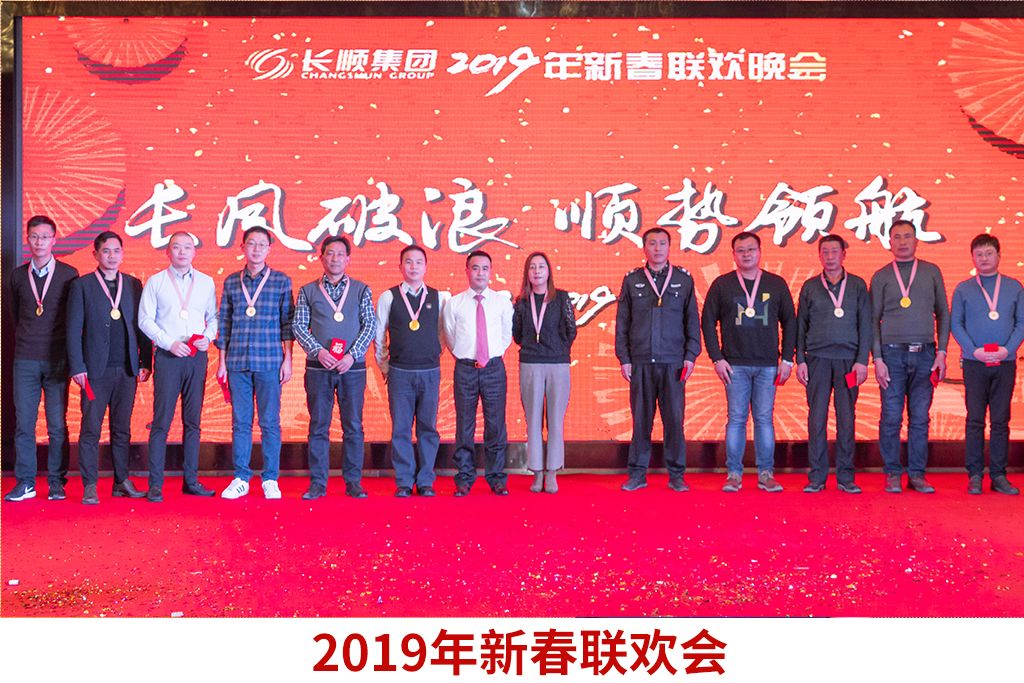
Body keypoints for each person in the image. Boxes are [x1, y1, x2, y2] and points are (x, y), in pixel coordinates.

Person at [702, 232, 796, 493]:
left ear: (759, 252)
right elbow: (707, 321)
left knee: (764, 419)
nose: (746, 254)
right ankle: (733, 474)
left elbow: (790, 322)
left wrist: (788, 359)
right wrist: (717, 358)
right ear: (733, 254)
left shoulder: (776, 284)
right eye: (741, 250)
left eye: (751, 249)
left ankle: (766, 474)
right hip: (734, 365)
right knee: (736, 419)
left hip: (768, 364)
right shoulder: (722, 284)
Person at [66, 231, 152, 504]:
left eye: (116, 251)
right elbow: (72, 330)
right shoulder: (82, 286)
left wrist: (145, 361)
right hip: (94, 372)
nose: (112, 256)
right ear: (95, 254)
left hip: (126, 370)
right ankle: (90, 484)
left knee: (122, 429)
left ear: (123, 254)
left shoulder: (133, 284)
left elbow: (141, 326)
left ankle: (121, 481)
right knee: (91, 429)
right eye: (106, 251)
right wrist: (77, 366)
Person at [615, 229, 701, 492]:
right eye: (652, 243)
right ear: (644, 248)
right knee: (641, 421)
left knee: (674, 421)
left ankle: (676, 475)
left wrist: (690, 355)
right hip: (640, 361)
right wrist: (624, 358)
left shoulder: (683, 280)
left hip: (673, 363)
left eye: (662, 243)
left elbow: (692, 321)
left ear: (669, 247)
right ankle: (637, 474)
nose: (657, 248)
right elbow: (622, 323)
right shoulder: (632, 280)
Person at [870, 220, 950, 494]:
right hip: (891, 356)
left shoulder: (931, 271)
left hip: (925, 354)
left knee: (920, 418)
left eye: (907, 236)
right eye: (897, 237)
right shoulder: (881, 276)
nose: (902, 242)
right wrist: (877, 359)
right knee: (891, 417)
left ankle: (917, 474)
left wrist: (942, 352)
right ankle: (893, 473)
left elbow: (943, 313)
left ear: (916, 240)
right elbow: (872, 320)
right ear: (889, 242)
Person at [293, 236, 375, 500]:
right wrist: (318, 351)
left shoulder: (362, 290)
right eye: (330, 253)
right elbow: (298, 326)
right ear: (321, 258)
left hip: (353, 368)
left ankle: (353, 482)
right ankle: (318, 483)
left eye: (340, 254)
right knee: (318, 426)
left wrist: (352, 355)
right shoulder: (308, 291)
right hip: (319, 368)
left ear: (348, 259)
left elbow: (369, 325)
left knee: (353, 426)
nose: (335, 258)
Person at [215, 227, 294, 500]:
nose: (257, 249)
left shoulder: (281, 281)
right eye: (251, 244)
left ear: (269, 249)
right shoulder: (231, 282)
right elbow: (224, 323)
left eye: (262, 244)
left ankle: (270, 478)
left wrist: (288, 360)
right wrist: (222, 361)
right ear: (242, 247)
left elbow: (287, 324)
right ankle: (241, 477)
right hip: (237, 362)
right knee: (240, 423)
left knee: (270, 422)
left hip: (270, 361)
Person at [139, 231, 218, 502]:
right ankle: (155, 485)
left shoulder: (206, 282)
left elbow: (213, 317)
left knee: (193, 422)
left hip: (196, 357)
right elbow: (145, 320)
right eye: (176, 247)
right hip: (168, 357)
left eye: (187, 247)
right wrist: (168, 343)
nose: (182, 252)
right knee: (161, 421)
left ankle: (191, 481)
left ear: (194, 252)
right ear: (167, 252)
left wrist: (208, 337)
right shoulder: (156, 282)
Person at [4, 215, 79, 502]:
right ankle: (25, 482)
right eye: (34, 237)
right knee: (24, 424)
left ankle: (57, 482)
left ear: (54, 240)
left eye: (45, 237)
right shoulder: (17, 276)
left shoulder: (69, 274)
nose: (39, 242)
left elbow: (74, 319)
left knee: (56, 424)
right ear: (28, 239)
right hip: (25, 358)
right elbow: (15, 315)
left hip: (57, 359)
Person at [795, 234, 872, 494]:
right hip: (817, 360)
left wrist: (862, 361)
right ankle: (816, 477)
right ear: (819, 256)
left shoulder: (858, 285)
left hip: (848, 362)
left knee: (846, 419)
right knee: (816, 419)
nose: (829, 257)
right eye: (825, 252)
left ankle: (845, 477)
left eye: (834, 251)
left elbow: (866, 325)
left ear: (843, 254)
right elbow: (801, 326)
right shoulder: (810, 286)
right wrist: (800, 360)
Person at [950, 233, 1024, 495]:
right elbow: (955, 324)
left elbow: (1021, 323)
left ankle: (999, 475)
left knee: (1001, 420)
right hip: (974, 363)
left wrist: (1007, 350)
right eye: (979, 254)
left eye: (989, 253)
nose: (984, 258)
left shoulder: (1014, 287)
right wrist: (973, 351)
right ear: (972, 258)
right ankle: (974, 474)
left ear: (999, 256)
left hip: (1005, 363)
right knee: (975, 420)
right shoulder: (963, 289)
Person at [374, 245, 450, 498]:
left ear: (426, 267)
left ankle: (426, 480)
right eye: (408, 262)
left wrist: (432, 354)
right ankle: (404, 481)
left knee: (428, 428)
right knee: (401, 429)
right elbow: (379, 335)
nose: (413, 267)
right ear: (400, 266)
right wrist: (385, 367)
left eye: (418, 262)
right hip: (400, 373)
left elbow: (443, 333)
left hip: (429, 371)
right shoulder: (388, 297)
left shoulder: (439, 298)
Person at [442, 250, 514, 497]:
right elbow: (450, 336)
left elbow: (505, 336)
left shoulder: (502, 302)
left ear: (491, 272)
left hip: (494, 368)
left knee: (496, 425)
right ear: (467, 271)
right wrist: (466, 356)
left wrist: (490, 356)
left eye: (485, 268)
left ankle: (496, 477)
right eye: (475, 268)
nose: (480, 273)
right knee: (464, 425)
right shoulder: (454, 304)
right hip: (465, 369)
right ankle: (464, 477)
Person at [513, 252, 578, 493]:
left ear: (549, 271)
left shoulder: (561, 298)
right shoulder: (521, 301)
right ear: (527, 273)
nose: (537, 271)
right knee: (533, 421)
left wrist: (558, 349)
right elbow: (517, 334)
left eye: (541, 266)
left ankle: (552, 472)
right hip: (530, 363)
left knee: (555, 421)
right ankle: (537, 472)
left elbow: (571, 330)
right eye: (532, 267)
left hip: (558, 364)